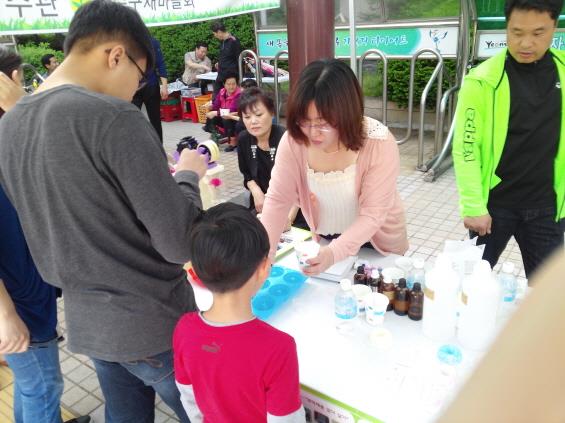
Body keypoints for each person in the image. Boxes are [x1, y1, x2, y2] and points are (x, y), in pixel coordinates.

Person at [0, 1, 208, 422]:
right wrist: (187, 176)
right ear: (115, 55)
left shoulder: (10, 125)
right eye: (139, 74)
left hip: (89, 323)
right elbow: (178, 242)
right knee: (210, 413)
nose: (137, 89)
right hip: (153, 323)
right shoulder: (113, 118)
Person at [0, 46, 90, 423]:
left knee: (32, 384)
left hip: (28, 291)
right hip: (16, 302)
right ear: (15, 78)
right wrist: (4, 314)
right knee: (43, 385)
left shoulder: (9, 137)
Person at [260, 59, 408, 276]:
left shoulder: (378, 142)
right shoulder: (294, 141)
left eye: (323, 123)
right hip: (325, 239)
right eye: (304, 121)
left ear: (348, 114)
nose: (312, 132)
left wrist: (332, 254)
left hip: (378, 246)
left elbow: (372, 215)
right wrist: (264, 256)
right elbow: (277, 200)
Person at [453, 0, 565, 279]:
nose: (526, 43)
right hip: (493, 207)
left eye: (538, 33)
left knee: (547, 297)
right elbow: (466, 147)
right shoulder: (482, 80)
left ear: (555, 27)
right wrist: (473, 205)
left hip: (547, 209)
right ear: (507, 28)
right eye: (516, 32)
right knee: (469, 286)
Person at [173, 202, 305, 422]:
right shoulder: (278, 347)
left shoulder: (184, 328)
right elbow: (286, 419)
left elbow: (187, 393)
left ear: (195, 271)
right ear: (264, 268)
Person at [237, 87, 304, 229]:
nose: (253, 122)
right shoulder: (244, 139)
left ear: (272, 113)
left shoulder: (286, 139)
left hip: (294, 207)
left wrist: (289, 218)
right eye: (247, 117)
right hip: (262, 205)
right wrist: (256, 191)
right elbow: (247, 175)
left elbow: (301, 183)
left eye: (259, 115)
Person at [132, 36, 168, 142]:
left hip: (151, 86)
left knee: (155, 120)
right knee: (131, 119)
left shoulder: (152, 42)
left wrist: (164, 87)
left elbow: (160, 64)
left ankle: (159, 148)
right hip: (133, 87)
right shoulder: (126, 41)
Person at [203, 73, 241, 151]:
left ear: (237, 84)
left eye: (233, 84)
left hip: (235, 118)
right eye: (228, 84)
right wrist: (211, 106)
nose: (231, 86)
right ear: (224, 84)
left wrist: (216, 113)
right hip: (224, 115)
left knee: (226, 118)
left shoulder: (239, 94)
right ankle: (216, 135)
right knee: (211, 116)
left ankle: (233, 142)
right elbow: (216, 106)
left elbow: (232, 110)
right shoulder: (222, 92)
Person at [210, 20, 241, 100]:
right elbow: (226, 56)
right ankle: (217, 111)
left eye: (215, 34)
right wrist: (219, 63)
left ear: (219, 32)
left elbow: (239, 58)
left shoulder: (234, 41)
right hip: (221, 73)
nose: (215, 36)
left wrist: (238, 76)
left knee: (231, 97)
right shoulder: (223, 42)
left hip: (231, 74)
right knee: (217, 96)